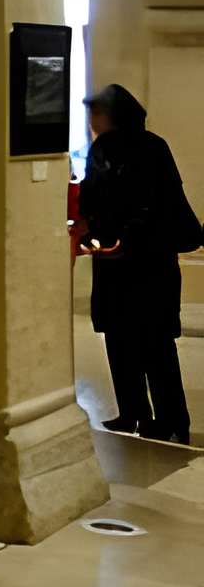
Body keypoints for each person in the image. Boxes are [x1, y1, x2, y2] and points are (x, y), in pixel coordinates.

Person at [79, 83, 197, 445]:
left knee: (155, 344)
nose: (93, 121)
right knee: (119, 339)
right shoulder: (102, 150)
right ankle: (132, 412)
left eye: (97, 113)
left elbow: (159, 203)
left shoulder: (151, 148)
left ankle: (171, 419)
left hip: (149, 262)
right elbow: (92, 197)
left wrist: (125, 236)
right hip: (116, 263)